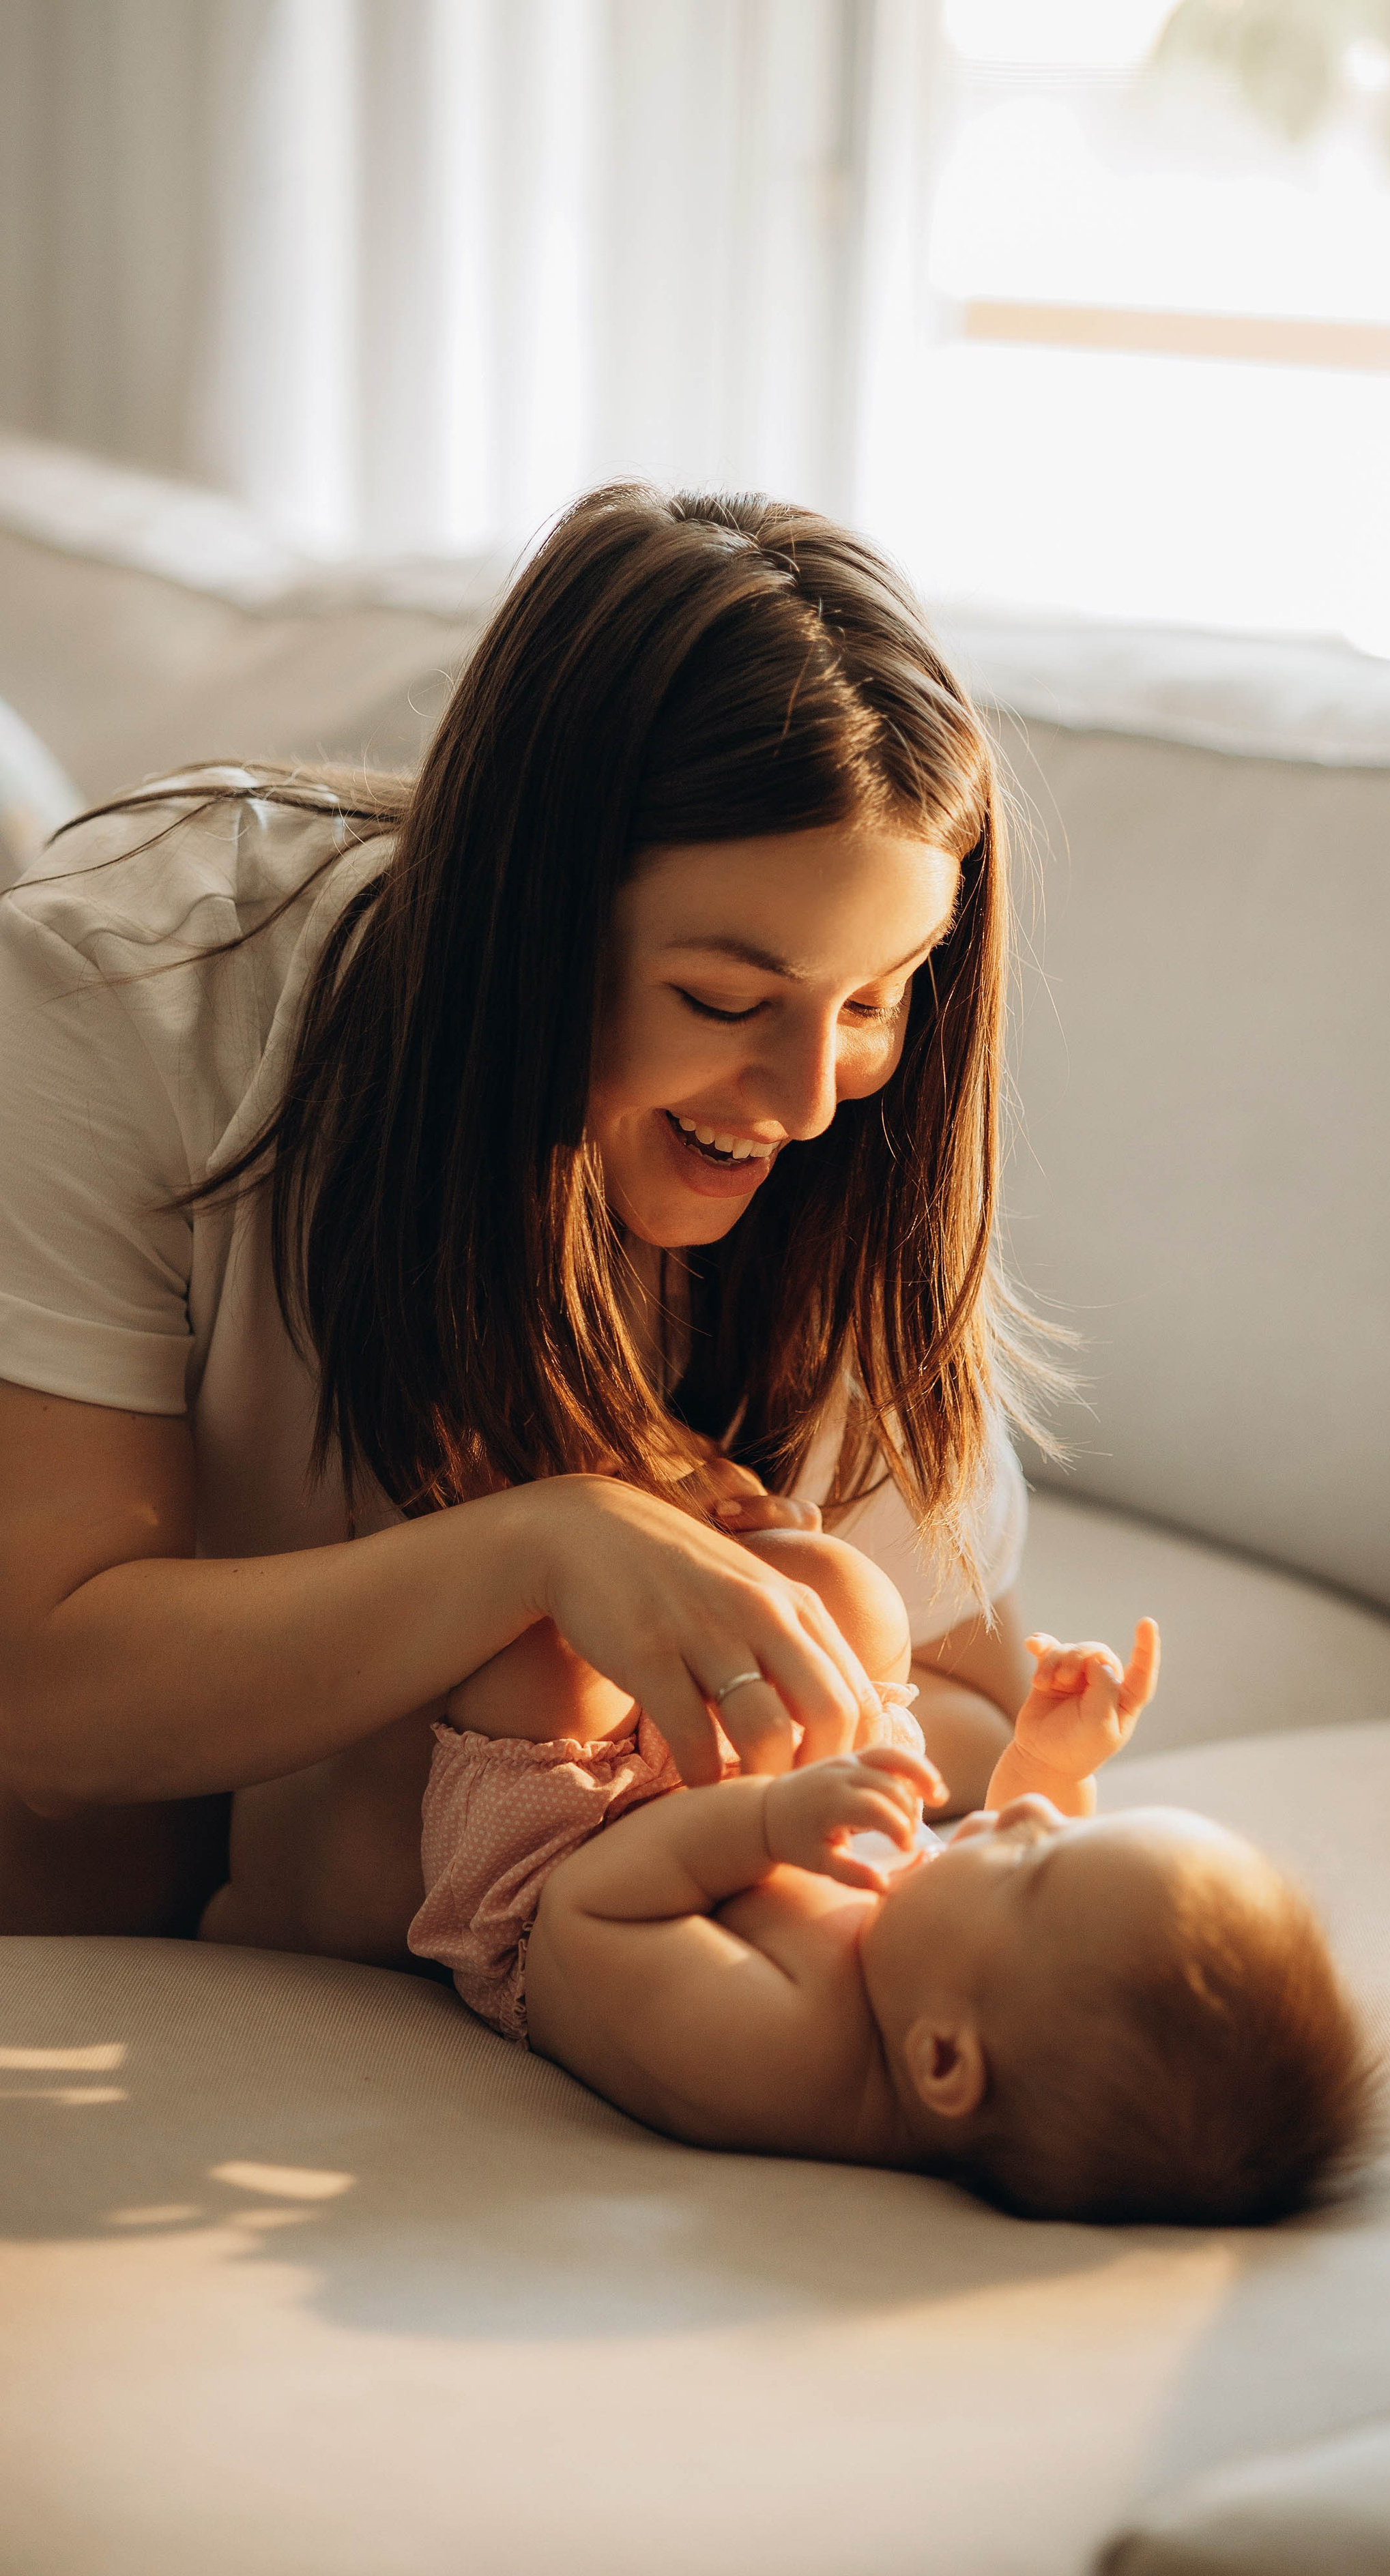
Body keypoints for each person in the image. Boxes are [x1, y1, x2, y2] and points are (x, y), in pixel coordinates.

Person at [0, 484, 1042, 1955]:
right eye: (724, 1001)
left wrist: (741, 1705)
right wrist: (537, 1551)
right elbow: (44, 1706)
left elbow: (979, 1707)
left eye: (873, 997)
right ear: (527, 928)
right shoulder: (128, 995)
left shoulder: (849, 1157)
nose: (811, 1098)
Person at [405, 1527, 1372, 2225]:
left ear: (943, 2060)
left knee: (552, 1655)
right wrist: (1051, 1764)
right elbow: (988, 1870)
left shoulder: (782, 2056)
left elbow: (594, 1911)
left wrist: (774, 1820)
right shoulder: (941, 1969)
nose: (1029, 1820)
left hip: (561, 1843)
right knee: (847, 1588)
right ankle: (684, 1539)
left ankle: (631, 1540)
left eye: (1033, 1864)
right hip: (752, 1806)